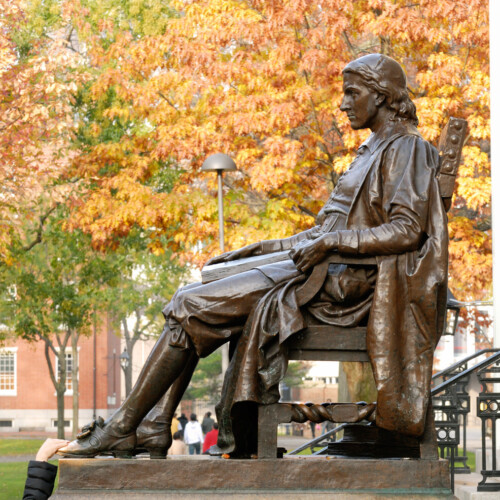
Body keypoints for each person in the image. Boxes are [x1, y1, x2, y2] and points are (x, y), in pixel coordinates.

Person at [58, 54, 447, 459]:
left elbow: (406, 230)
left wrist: (331, 245)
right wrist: (258, 248)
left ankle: (126, 426)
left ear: (382, 96)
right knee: (195, 289)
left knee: (188, 304)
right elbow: (321, 232)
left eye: (353, 93)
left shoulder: (407, 149)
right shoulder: (372, 150)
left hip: (342, 286)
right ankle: (154, 424)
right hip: (323, 270)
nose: (343, 103)